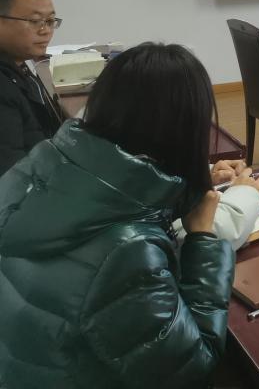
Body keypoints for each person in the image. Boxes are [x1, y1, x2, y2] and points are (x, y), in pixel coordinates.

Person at [0, 43, 234, 388]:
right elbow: (192, 366)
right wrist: (202, 239)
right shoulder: (127, 251)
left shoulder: (38, 168)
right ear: (185, 130)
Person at [0, 0, 65, 176]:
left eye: (50, 20)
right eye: (35, 21)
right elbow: (11, 178)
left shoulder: (19, 64)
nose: (46, 31)